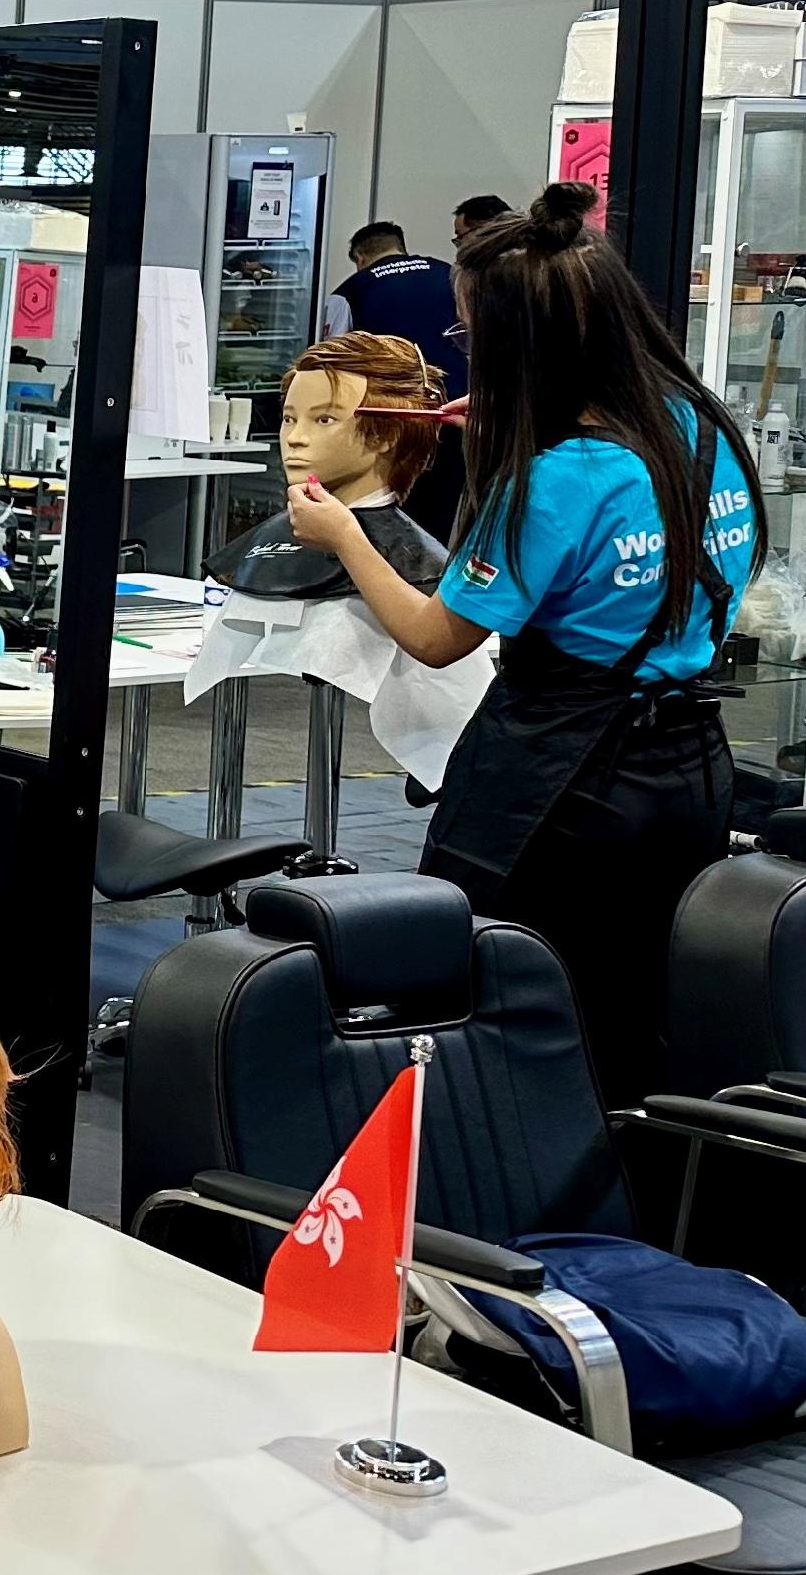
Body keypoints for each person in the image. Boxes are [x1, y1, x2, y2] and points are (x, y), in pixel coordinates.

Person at [286, 183, 758, 1105]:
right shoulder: (699, 430)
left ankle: (499, 1183)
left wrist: (346, 534)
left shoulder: (550, 479)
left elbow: (435, 637)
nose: (467, 352)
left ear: (523, 340)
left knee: (508, 996)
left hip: (565, 789)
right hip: (690, 770)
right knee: (633, 999)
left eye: (472, 335)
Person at [327, 224, 464, 396]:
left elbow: (334, 358)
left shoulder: (348, 292)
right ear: (401, 248)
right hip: (456, 393)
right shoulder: (449, 273)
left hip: (392, 399)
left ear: (360, 258)